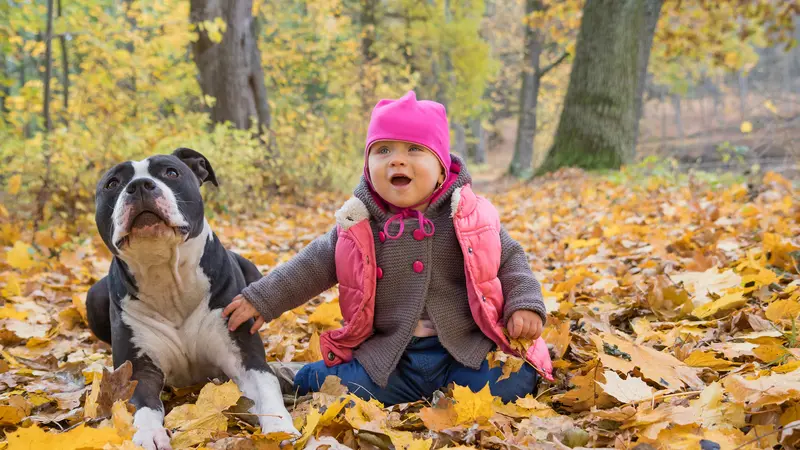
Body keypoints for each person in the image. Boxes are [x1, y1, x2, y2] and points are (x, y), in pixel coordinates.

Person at [223, 91, 553, 405]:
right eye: (383, 151)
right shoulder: (359, 223)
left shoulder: (467, 215)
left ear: (441, 168)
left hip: (465, 350)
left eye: (413, 150)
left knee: (513, 383)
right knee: (341, 387)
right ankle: (295, 377)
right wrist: (263, 298)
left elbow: (511, 259)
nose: (397, 161)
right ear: (368, 167)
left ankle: (452, 392)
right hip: (391, 357)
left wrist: (524, 304)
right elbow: (312, 266)